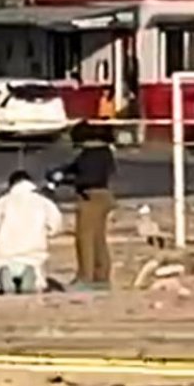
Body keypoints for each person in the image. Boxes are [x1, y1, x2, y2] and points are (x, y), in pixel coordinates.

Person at [0, 170, 63, 295]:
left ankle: (1, 279)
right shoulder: (44, 203)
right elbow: (56, 227)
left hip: (4, 258)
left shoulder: (2, 203)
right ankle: (31, 279)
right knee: (36, 279)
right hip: (34, 258)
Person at [59, 123, 117, 291]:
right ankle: (101, 276)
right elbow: (77, 167)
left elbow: (88, 177)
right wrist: (65, 170)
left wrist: (66, 180)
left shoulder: (91, 154)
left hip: (90, 197)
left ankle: (85, 277)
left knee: (85, 238)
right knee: (98, 239)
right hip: (103, 197)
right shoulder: (104, 152)